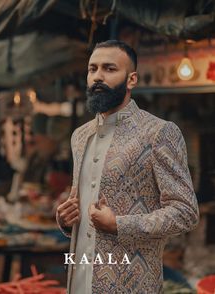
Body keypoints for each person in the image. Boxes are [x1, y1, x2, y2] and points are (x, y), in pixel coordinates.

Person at [56, 40, 199, 294]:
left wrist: (120, 224)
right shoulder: (80, 136)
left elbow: (185, 212)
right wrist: (67, 221)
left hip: (131, 285)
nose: (98, 76)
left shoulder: (158, 133)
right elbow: (82, 204)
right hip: (79, 281)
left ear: (131, 80)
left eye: (110, 69)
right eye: (93, 69)